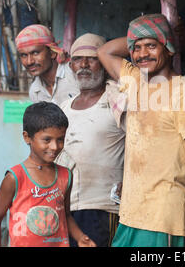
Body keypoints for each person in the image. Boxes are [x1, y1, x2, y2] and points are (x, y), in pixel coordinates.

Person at [95, 14, 185, 247]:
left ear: (169, 49)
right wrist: (142, 34)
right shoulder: (135, 80)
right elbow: (104, 52)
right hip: (130, 213)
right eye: (137, 48)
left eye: (152, 46)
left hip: (162, 216)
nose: (142, 54)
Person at [0, 102, 96, 247]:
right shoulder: (15, 178)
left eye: (60, 139)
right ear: (27, 137)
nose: (55, 146)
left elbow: (65, 214)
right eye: (47, 140)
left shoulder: (66, 175)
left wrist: (80, 237)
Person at [55, 33, 126, 247]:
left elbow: (140, 144)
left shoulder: (117, 100)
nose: (84, 64)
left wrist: (130, 181)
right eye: (77, 59)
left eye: (92, 58)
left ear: (104, 63)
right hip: (65, 207)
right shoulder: (63, 108)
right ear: (71, 65)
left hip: (103, 205)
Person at [16, 24, 79, 105]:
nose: (29, 62)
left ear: (52, 53)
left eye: (35, 53)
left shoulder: (74, 75)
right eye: (24, 55)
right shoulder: (35, 92)